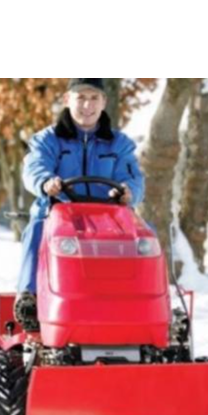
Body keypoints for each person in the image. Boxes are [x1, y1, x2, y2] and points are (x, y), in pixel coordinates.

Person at [14, 78, 145, 327]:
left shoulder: (119, 144)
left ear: (104, 102)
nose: (88, 105)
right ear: (67, 100)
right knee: (37, 229)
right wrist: (46, 182)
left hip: (107, 217)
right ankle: (29, 295)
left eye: (94, 98)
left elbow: (132, 178)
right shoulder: (47, 140)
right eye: (81, 97)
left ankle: (142, 300)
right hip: (58, 212)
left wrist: (130, 192)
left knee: (144, 237)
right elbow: (35, 167)